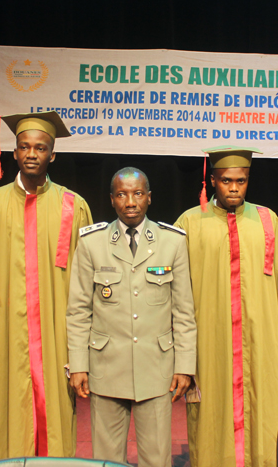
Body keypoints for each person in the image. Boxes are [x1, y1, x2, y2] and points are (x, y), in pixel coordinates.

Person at [0, 111, 92, 463]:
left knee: (56, 413)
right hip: (6, 331)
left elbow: (85, 283)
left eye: (40, 148)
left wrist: (81, 348)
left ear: (52, 155)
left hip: (57, 332)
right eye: (24, 146)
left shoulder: (73, 205)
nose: (31, 154)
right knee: (5, 409)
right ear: (13, 153)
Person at [174, 146, 278, 467]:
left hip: (259, 340)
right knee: (210, 413)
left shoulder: (267, 220)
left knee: (262, 411)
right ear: (212, 180)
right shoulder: (190, 222)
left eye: (241, 181)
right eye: (226, 180)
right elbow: (174, 291)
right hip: (209, 341)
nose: (233, 187)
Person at [66, 167, 196, 467]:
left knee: (157, 459)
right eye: (122, 195)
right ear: (112, 200)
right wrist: (78, 365)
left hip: (157, 368)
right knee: (106, 460)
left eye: (138, 194)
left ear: (149, 198)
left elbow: (184, 312)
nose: (131, 202)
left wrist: (185, 366)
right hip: (107, 367)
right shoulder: (91, 242)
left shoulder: (172, 242)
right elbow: (78, 311)